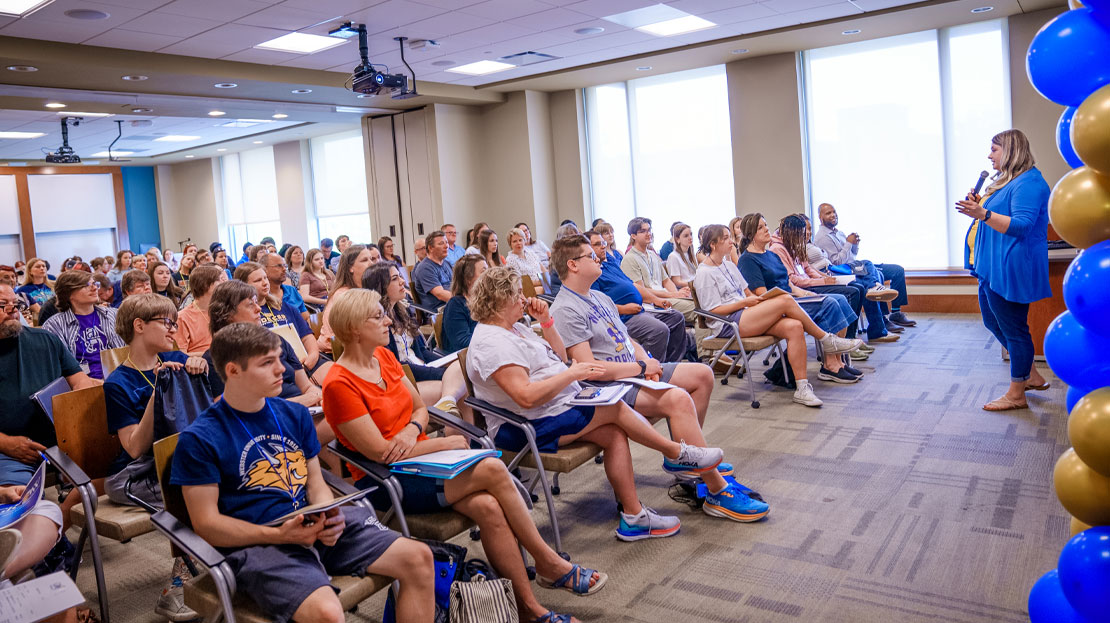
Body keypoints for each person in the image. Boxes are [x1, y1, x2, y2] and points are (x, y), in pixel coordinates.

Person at [323, 288, 605, 623]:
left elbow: (418, 408)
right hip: (389, 482)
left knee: (489, 507)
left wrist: (414, 430)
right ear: (354, 328)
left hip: (421, 462)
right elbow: (383, 453)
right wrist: (443, 444)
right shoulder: (339, 384)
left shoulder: (382, 358)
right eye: (377, 316)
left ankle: (529, 608)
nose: (388, 320)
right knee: (492, 468)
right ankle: (547, 561)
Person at [172, 322, 434, 622]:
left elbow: (316, 484)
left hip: (309, 523)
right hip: (260, 542)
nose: (281, 370)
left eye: (279, 359)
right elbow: (207, 524)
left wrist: (327, 515)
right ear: (233, 371)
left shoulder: (293, 414)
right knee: (327, 613)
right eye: (267, 363)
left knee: (419, 558)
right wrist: (281, 535)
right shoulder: (200, 438)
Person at [466, 267, 729, 540]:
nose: (524, 299)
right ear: (498, 300)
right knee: (612, 407)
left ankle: (634, 516)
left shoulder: (516, 328)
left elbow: (558, 357)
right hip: (526, 425)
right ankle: (677, 453)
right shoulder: (492, 342)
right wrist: (571, 374)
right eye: (516, 294)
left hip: (554, 406)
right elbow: (526, 396)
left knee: (614, 433)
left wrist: (546, 322)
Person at [550, 236, 770, 520]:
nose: (600, 258)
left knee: (702, 375)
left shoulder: (600, 297)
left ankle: (686, 457)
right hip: (608, 388)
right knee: (677, 398)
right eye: (590, 256)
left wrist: (645, 360)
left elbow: (626, 339)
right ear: (572, 265)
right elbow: (590, 369)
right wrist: (640, 370)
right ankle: (717, 491)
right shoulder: (565, 309)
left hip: (632, 371)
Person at [103, 294, 208, 621]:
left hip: (179, 459)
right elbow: (133, 447)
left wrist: (201, 364)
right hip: (136, 473)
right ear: (139, 326)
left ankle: (217, 568)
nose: (174, 329)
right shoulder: (118, 382)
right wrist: (156, 395)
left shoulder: (178, 358)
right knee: (194, 495)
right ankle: (177, 588)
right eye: (167, 323)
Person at [694, 225, 864, 406]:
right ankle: (826, 339)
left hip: (747, 314)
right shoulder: (704, 273)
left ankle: (802, 388)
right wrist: (745, 303)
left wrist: (760, 301)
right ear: (713, 244)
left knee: (794, 326)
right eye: (726, 238)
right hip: (728, 324)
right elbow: (711, 311)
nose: (731, 241)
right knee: (785, 300)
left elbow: (747, 292)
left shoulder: (728, 265)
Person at [955, 129, 1052, 411]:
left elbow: (1021, 225)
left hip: (1010, 265)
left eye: (994, 149)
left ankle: (1016, 394)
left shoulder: (1030, 183)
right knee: (993, 322)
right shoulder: (1004, 181)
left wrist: (982, 213)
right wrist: (979, 205)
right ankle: (1030, 374)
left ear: (1010, 151)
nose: (989, 155)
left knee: (1015, 331)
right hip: (990, 264)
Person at [737, 214, 863, 383]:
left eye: (766, 225)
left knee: (840, 299)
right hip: (779, 304)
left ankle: (838, 361)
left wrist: (807, 294)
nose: (767, 229)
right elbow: (762, 294)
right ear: (751, 234)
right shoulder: (748, 260)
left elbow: (789, 283)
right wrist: (794, 297)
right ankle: (830, 365)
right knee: (830, 304)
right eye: (760, 227)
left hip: (791, 297)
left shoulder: (771, 255)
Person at [361, 264, 472, 421]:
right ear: (381, 287)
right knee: (461, 391)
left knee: (462, 368)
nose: (402, 282)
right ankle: (467, 440)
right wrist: (441, 373)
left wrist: (444, 364)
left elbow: (422, 351)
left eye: (400, 276)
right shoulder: (379, 324)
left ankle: (467, 436)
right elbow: (397, 366)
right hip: (405, 381)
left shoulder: (401, 311)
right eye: (394, 279)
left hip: (421, 370)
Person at [773, 215, 896, 348]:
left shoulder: (797, 244)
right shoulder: (779, 249)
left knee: (860, 286)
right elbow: (793, 280)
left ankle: (852, 336)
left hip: (817, 279)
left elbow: (807, 269)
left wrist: (824, 279)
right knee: (853, 291)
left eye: (808, 230)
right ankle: (848, 339)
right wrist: (823, 281)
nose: (806, 234)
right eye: (803, 232)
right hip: (805, 289)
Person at [203, 281, 322, 410]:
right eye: (250, 304)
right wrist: (298, 403)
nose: (258, 308)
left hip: (304, 409)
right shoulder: (217, 356)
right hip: (266, 421)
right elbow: (228, 408)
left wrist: (316, 396)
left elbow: (306, 386)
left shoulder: (277, 340)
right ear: (228, 314)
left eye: (256, 302)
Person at [585, 230, 690, 363]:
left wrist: (656, 300)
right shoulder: (592, 273)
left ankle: (671, 364)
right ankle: (647, 370)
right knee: (659, 330)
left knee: (676, 318)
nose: (603, 246)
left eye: (603, 243)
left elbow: (632, 285)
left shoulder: (609, 264)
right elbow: (596, 304)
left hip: (640, 309)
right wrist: (623, 309)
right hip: (623, 317)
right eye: (597, 244)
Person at [814, 203, 914, 331]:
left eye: (834, 211)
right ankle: (882, 319)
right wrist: (848, 243)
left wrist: (854, 245)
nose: (833, 215)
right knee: (877, 276)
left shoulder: (839, 233)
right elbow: (837, 262)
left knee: (897, 270)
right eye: (828, 213)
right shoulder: (822, 238)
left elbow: (852, 255)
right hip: (846, 269)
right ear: (820, 217)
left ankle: (895, 313)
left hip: (855, 265)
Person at [238, 260, 326, 380]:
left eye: (265, 278)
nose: (265, 283)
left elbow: (307, 336)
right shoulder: (245, 315)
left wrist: (312, 356)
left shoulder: (286, 307)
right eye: (258, 280)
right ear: (243, 285)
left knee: (333, 376)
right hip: (276, 371)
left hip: (305, 362)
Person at [41, 271, 125, 380]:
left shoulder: (113, 315)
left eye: (95, 284)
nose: (95, 288)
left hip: (119, 380)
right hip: (80, 386)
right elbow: (59, 367)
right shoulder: (54, 325)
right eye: (86, 285)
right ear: (68, 293)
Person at [621, 217, 696, 320]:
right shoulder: (629, 259)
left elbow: (666, 281)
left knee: (702, 303)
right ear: (633, 236)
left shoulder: (653, 255)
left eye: (649, 230)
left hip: (665, 296)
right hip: (653, 303)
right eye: (643, 231)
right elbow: (642, 291)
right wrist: (673, 294)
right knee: (696, 309)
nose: (648, 234)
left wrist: (678, 294)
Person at [319, 245, 374, 355]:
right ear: (350, 267)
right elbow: (357, 333)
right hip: (336, 351)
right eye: (364, 260)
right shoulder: (344, 295)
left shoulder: (362, 289)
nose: (371, 264)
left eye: (371, 259)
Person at [441, 255, 487, 353]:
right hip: (465, 358)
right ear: (468, 279)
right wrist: (493, 340)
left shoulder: (486, 299)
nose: (489, 275)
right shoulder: (455, 305)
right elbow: (462, 343)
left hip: (485, 351)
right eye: (484, 272)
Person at [177, 264, 226, 355]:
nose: (224, 284)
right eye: (219, 280)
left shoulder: (224, 311)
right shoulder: (182, 317)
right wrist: (213, 355)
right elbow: (181, 355)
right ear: (205, 285)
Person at [411, 231, 452, 308]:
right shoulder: (425, 268)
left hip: (452, 305)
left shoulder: (447, 263)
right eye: (441, 243)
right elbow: (440, 294)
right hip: (439, 311)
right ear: (430, 248)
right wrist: (465, 300)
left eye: (446, 242)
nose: (446, 246)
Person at [260, 253, 309, 319]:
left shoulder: (292, 291)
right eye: (279, 266)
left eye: (284, 265)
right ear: (265, 270)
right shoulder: (261, 295)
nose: (284, 269)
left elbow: (306, 318)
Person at [505, 227, 545, 292]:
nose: (518, 243)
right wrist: (540, 282)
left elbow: (543, 269)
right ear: (510, 244)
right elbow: (519, 283)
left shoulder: (530, 252)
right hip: (527, 290)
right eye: (514, 241)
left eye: (520, 240)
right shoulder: (510, 260)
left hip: (543, 285)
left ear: (524, 240)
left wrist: (548, 280)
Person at [299, 248, 334, 312]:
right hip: (318, 304)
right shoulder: (306, 275)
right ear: (310, 262)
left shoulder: (329, 273)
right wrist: (324, 301)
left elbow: (337, 287)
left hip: (332, 301)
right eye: (317, 259)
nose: (321, 261)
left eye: (322, 258)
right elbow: (304, 297)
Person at [665, 223, 697, 290]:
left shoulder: (691, 254)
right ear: (677, 239)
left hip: (694, 287)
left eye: (691, 234)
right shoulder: (673, 256)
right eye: (686, 236)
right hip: (686, 290)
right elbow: (677, 282)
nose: (690, 237)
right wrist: (695, 285)